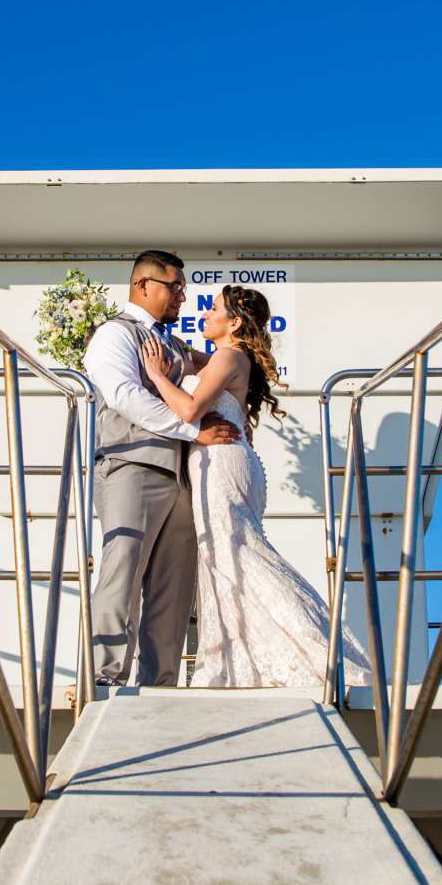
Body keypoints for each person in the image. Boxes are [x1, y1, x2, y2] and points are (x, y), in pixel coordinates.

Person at [136, 283, 369, 690]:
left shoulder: (228, 356)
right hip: (229, 461)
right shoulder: (226, 356)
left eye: (214, 310)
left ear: (235, 322)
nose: (204, 314)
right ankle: (235, 658)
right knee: (226, 557)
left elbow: (190, 409)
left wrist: (155, 374)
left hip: (222, 464)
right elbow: (196, 365)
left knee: (233, 555)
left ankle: (313, 648)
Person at [81, 250, 240, 686]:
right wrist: (193, 432)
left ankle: (161, 683)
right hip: (131, 465)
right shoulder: (115, 334)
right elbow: (123, 394)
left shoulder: (172, 344)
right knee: (123, 565)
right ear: (143, 286)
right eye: (175, 287)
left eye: (183, 288)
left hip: (184, 479)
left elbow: (227, 365)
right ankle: (104, 675)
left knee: (175, 585)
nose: (182, 297)